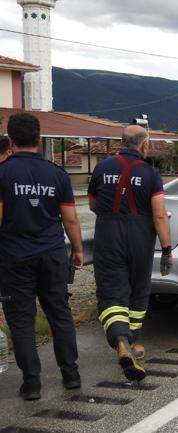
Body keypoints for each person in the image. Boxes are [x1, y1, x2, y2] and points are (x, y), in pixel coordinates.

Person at [0, 113, 84, 400]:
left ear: (10, 140)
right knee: (60, 313)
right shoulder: (57, 174)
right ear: (39, 139)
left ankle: (32, 383)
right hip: (52, 254)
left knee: (21, 320)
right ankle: (71, 375)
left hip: (14, 257)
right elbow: (71, 220)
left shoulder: (2, 173)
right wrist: (78, 249)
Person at [88, 125, 172, 382]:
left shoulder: (102, 168)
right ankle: (132, 342)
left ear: (121, 143)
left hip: (108, 234)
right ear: (144, 145)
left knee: (112, 292)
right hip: (139, 237)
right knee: (138, 290)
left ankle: (120, 342)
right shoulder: (151, 173)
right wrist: (167, 249)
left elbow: (93, 203)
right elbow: (159, 214)